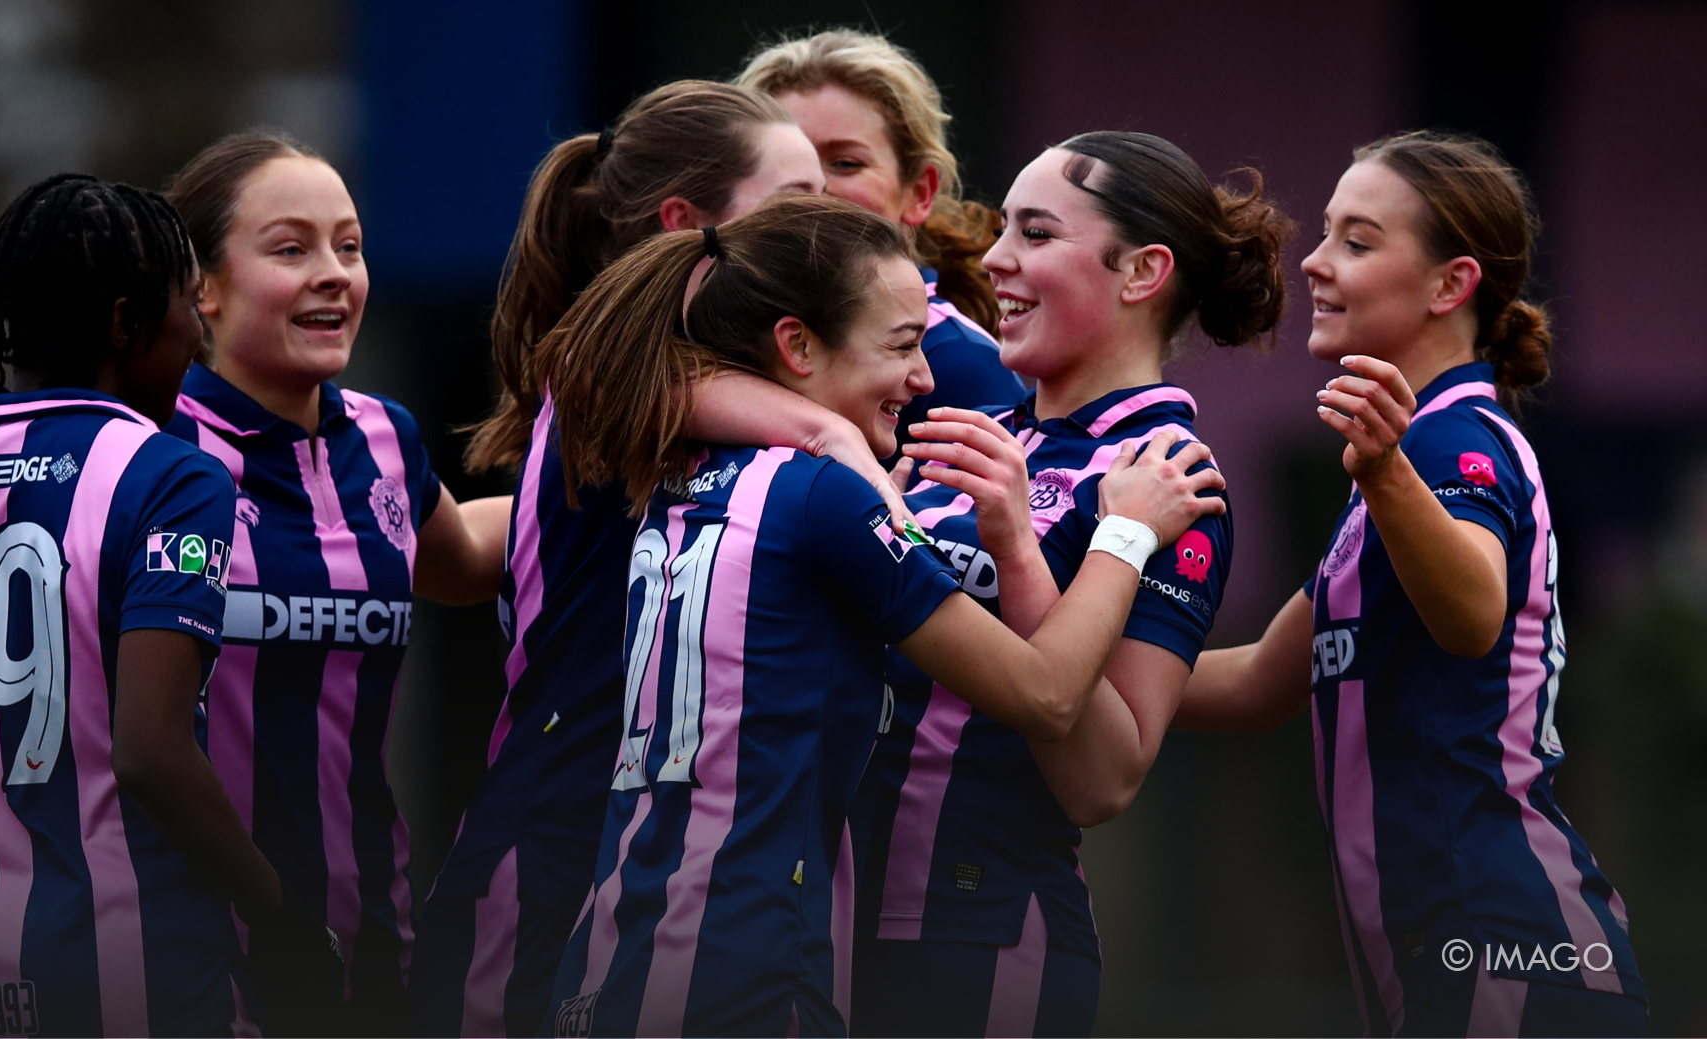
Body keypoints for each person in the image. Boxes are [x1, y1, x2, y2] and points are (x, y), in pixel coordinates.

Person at [0, 131, 512, 1037]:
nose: (333, 272)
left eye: (350, 245)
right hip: (195, 952)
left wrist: (627, 477)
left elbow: (467, 554)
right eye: (289, 247)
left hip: (360, 943)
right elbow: (144, 745)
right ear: (201, 292)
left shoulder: (383, 440)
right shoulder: (157, 449)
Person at [535, 194, 1225, 1038]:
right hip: (747, 952)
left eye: (1035, 230)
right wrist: (1120, 537)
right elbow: (1045, 695)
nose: (928, 377)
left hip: (619, 940)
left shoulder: (678, 466)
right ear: (795, 344)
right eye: (904, 345)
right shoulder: (828, 493)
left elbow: (601, 367)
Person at [415, 81, 886, 1038]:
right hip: (542, 855)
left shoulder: (675, 373)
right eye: (794, 198)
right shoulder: (618, 363)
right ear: (684, 223)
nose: (823, 222)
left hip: (630, 853)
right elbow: (826, 437)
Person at [1173, 131, 1646, 1038]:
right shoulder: (1388, 477)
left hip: (1507, 945)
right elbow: (1254, 682)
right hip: (1458, 956)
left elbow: (1474, 616)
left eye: (1357, 240)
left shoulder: (1446, 439)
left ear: (1449, 284)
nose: (1312, 261)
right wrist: (1035, 670)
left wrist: (1387, 471)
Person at [841, 130, 1288, 1038]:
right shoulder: (978, 436)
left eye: (1036, 234)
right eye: (1004, 228)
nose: (997, 260)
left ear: (1141, 272)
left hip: (978, 932)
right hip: (835, 918)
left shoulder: (1168, 478)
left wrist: (1018, 544)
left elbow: (1103, 778)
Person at [737, 29, 1025, 464]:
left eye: (845, 163)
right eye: (783, 165)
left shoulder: (962, 367)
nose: (811, 188)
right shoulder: (713, 333)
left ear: (919, 191)